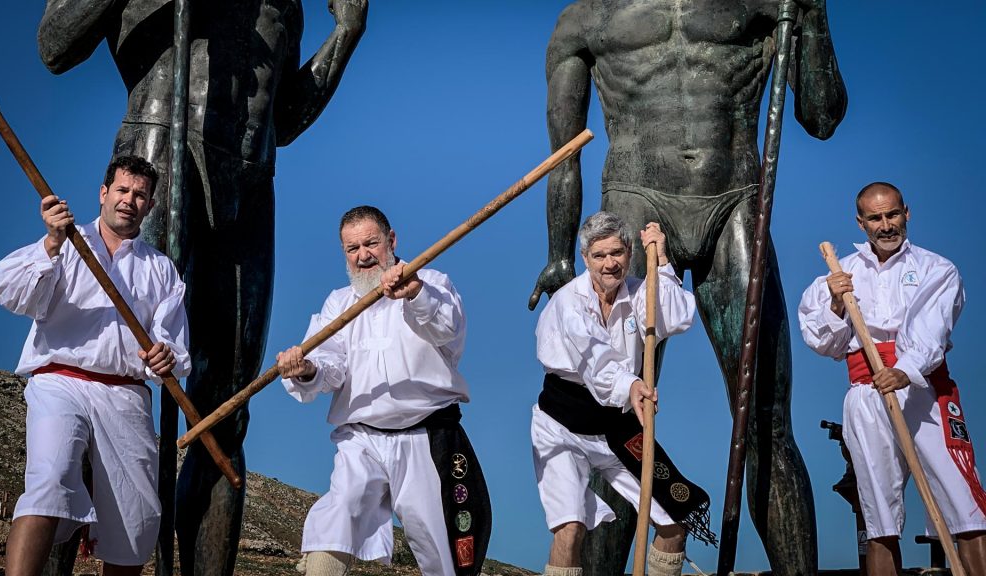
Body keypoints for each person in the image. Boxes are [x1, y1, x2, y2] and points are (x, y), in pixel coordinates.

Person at [37, 1, 368, 571]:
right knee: (112, 383)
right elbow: (55, 47)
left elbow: (282, 119)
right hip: (161, 157)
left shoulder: (285, 4)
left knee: (227, 410)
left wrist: (347, 33)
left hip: (249, 184)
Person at [527, 1, 848, 570]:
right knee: (615, 422)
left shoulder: (764, 3)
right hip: (634, 197)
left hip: (736, 202)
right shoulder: (586, 18)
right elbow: (564, 154)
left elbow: (822, 116)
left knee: (765, 418)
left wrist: (814, 14)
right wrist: (558, 254)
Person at [0, 155, 190, 576]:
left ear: (149, 206)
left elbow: (174, 348)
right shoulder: (67, 243)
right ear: (103, 193)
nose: (129, 200)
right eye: (122, 190)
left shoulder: (161, 269)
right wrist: (50, 244)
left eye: (140, 195)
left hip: (125, 393)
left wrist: (164, 355)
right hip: (60, 381)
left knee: (135, 518)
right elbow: (8, 291)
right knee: (49, 480)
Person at [276, 206, 491, 576]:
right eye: (352, 248)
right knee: (336, 517)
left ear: (391, 240)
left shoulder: (433, 281)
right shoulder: (338, 303)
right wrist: (307, 367)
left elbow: (448, 330)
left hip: (426, 436)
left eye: (371, 243)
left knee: (443, 555)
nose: (363, 256)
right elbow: (330, 365)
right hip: (362, 438)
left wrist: (416, 293)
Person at [798, 182, 986, 576]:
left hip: (923, 390)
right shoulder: (838, 276)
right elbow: (826, 344)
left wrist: (904, 370)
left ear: (906, 213)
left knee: (963, 501)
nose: (886, 225)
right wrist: (835, 304)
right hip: (866, 394)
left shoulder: (937, 269)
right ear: (861, 222)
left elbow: (931, 333)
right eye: (875, 218)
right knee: (877, 513)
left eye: (892, 214)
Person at [533, 212, 714, 576]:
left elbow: (676, 317)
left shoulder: (639, 292)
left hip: (617, 423)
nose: (609, 263)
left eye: (616, 252)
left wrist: (661, 261)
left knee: (674, 521)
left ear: (629, 252)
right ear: (586, 259)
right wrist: (630, 385)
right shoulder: (569, 303)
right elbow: (594, 358)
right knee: (570, 528)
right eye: (599, 256)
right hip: (562, 425)